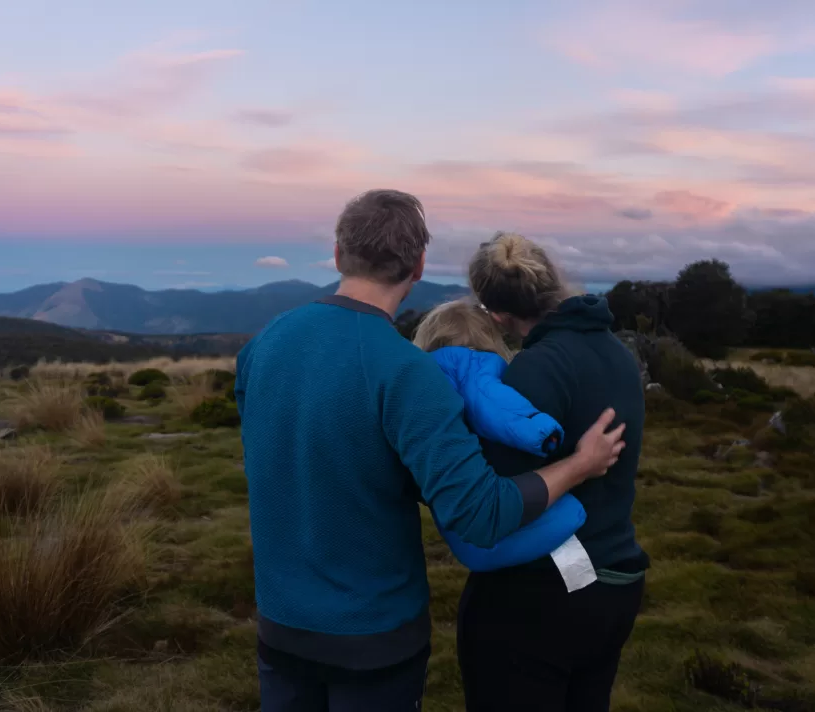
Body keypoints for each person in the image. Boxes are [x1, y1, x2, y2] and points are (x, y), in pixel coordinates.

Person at [235, 190, 627, 712]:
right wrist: (580, 465)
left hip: (280, 625)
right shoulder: (408, 373)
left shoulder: (263, 345)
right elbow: (483, 513)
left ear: (337, 253)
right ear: (418, 265)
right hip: (373, 638)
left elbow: (288, 448)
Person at [456, 232, 650, 712]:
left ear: (497, 314)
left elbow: (499, 505)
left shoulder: (536, 369)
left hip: (544, 596)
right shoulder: (616, 354)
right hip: (616, 579)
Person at [412, 299, 587, 572]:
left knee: (477, 549)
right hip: (492, 503)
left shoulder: (417, 377)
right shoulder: (469, 363)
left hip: (450, 506)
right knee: (568, 518)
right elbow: (495, 406)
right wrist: (542, 433)